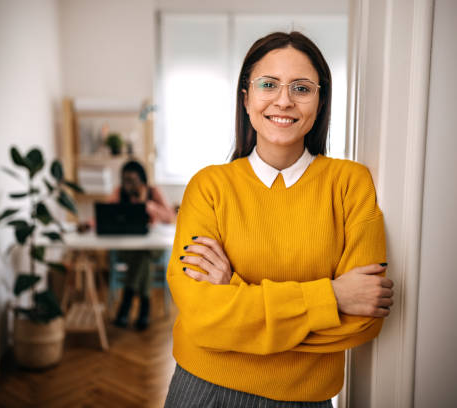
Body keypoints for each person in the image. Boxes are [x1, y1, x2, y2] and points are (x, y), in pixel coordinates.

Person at [163, 31, 394, 407]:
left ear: (320, 102)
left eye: (301, 88)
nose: (283, 101)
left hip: (306, 398)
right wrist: (331, 297)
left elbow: (364, 318)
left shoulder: (350, 184)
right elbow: (201, 317)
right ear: (247, 97)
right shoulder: (209, 187)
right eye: (268, 84)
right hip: (203, 390)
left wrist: (234, 296)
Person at [111, 160, 176, 330]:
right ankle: (144, 309)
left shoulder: (153, 193)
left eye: (132, 180)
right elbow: (106, 214)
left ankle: (126, 304)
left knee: (144, 253)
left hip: (153, 248)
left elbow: (169, 216)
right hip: (128, 249)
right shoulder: (119, 193)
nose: (128, 185)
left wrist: (147, 206)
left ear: (142, 180)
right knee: (143, 257)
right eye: (125, 180)